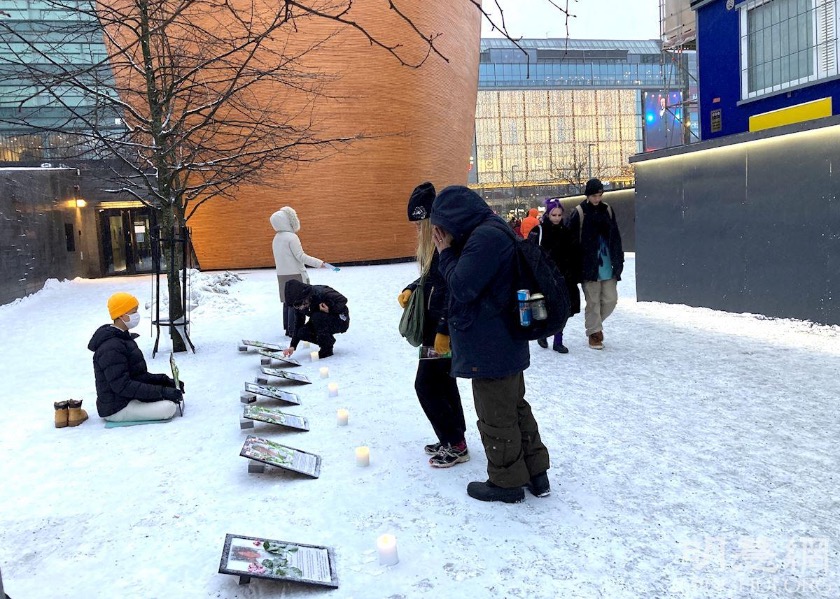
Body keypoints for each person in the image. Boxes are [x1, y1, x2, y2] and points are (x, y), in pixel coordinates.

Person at [431, 185, 551, 503]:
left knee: (494, 414)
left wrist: (446, 254)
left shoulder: (484, 238)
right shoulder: (493, 230)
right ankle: (536, 474)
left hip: (490, 341)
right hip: (503, 338)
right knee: (515, 407)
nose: (440, 233)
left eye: (442, 225)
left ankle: (506, 481)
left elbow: (462, 286)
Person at [398, 182, 468, 468]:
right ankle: (455, 439)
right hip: (434, 329)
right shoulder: (435, 246)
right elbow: (431, 280)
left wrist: (442, 331)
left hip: (441, 332)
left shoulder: (446, 243)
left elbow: (452, 290)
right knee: (442, 383)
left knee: (426, 385)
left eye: (420, 224)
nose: (418, 230)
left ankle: (454, 442)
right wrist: (412, 289)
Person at [88, 292, 184, 422]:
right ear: (122, 315)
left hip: (128, 398)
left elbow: (138, 375)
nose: (137, 315)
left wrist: (165, 382)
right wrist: (162, 392)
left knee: (170, 400)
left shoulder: (123, 338)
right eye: (133, 312)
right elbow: (123, 385)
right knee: (169, 408)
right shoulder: (110, 347)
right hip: (117, 407)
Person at [567, 178, 624, 350]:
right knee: (593, 301)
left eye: (599, 195)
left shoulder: (607, 210)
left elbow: (615, 237)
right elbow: (571, 241)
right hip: (589, 264)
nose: (597, 199)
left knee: (610, 299)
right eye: (594, 195)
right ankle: (594, 333)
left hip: (607, 262)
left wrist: (618, 260)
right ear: (588, 195)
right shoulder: (579, 212)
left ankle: (595, 325)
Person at [527, 197, 580, 353]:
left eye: (559, 215)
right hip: (545, 277)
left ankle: (558, 340)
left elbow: (574, 253)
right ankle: (543, 333)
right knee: (546, 307)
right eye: (553, 215)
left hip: (563, 277)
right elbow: (530, 253)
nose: (557, 218)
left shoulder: (566, 232)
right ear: (548, 215)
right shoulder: (539, 231)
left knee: (562, 309)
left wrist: (573, 273)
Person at [270, 206, 328, 338]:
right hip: (295, 274)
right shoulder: (292, 237)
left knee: (287, 301)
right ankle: (293, 331)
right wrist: (319, 263)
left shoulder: (276, 238)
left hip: (282, 274)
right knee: (297, 303)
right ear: (289, 221)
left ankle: (287, 328)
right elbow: (301, 256)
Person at [281, 280, 349, 359]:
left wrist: (330, 309)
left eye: (300, 305)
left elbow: (343, 300)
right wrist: (292, 346)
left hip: (340, 319)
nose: (300, 308)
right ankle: (328, 342)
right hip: (319, 320)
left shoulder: (321, 292)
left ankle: (327, 349)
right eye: (297, 306)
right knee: (302, 332)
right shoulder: (298, 304)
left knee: (317, 316)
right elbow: (298, 324)